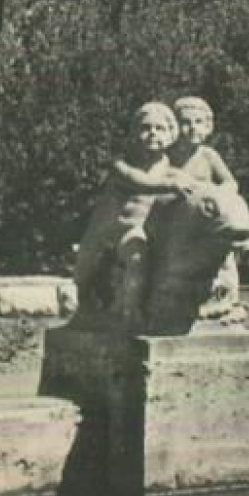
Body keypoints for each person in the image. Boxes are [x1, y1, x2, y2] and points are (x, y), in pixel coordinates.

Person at [72, 102, 196, 328]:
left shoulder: (173, 172)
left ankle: (132, 312)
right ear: (134, 133)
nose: (152, 134)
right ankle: (84, 311)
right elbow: (141, 182)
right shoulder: (121, 164)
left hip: (134, 230)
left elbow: (192, 190)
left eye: (160, 129)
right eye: (146, 128)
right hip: (105, 229)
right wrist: (171, 185)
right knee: (83, 271)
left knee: (137, 257)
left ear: (171, 135)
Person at [170, 97, 244, 320]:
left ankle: (229, 300)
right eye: (185, 122)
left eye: (198, 122)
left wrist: (216, 192)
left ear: (208, 126)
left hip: (207, 218)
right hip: (177, 220)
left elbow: (230, 183)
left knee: (224, 254)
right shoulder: (169, 156)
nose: (192, 128)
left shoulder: (208, 156)